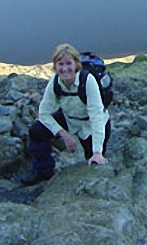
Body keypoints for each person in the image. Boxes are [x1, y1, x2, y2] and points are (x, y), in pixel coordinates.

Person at [21, 43, 111, 186]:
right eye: (60, 64)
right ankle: (43, 171)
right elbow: (44, 114)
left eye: (69, 63)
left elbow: (97, 117)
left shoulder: (87, 81)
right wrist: (64, 134)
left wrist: (97, 152)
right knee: (36, 131)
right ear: (55, 66)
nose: (64, 68)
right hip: (69, 119)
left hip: (90, 123)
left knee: (93, 160)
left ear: (76, 64)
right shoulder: (55, 81)